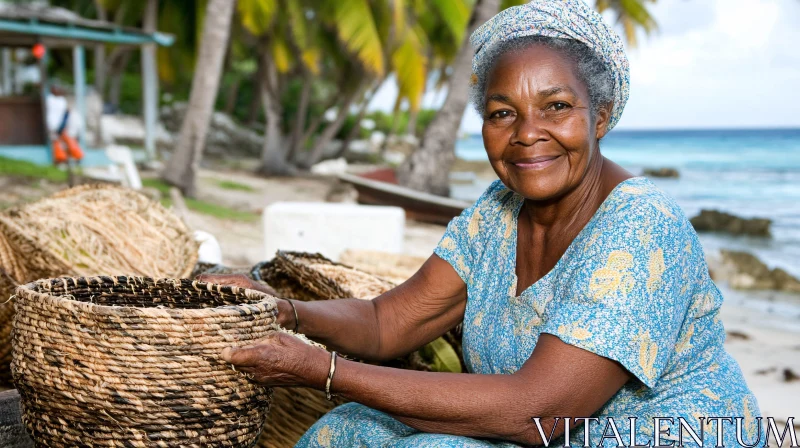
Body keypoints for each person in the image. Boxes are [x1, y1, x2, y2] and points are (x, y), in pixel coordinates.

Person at [202, 1, 762, 446]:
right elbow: (385, 321)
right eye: (502, 113)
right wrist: (282, 309)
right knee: (347, 430)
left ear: (602, 115)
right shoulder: (497, 212)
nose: (527, 132)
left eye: (557, 107)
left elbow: (539, 412)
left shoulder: (642, 228)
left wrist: (320, 371)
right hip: (537, 429)